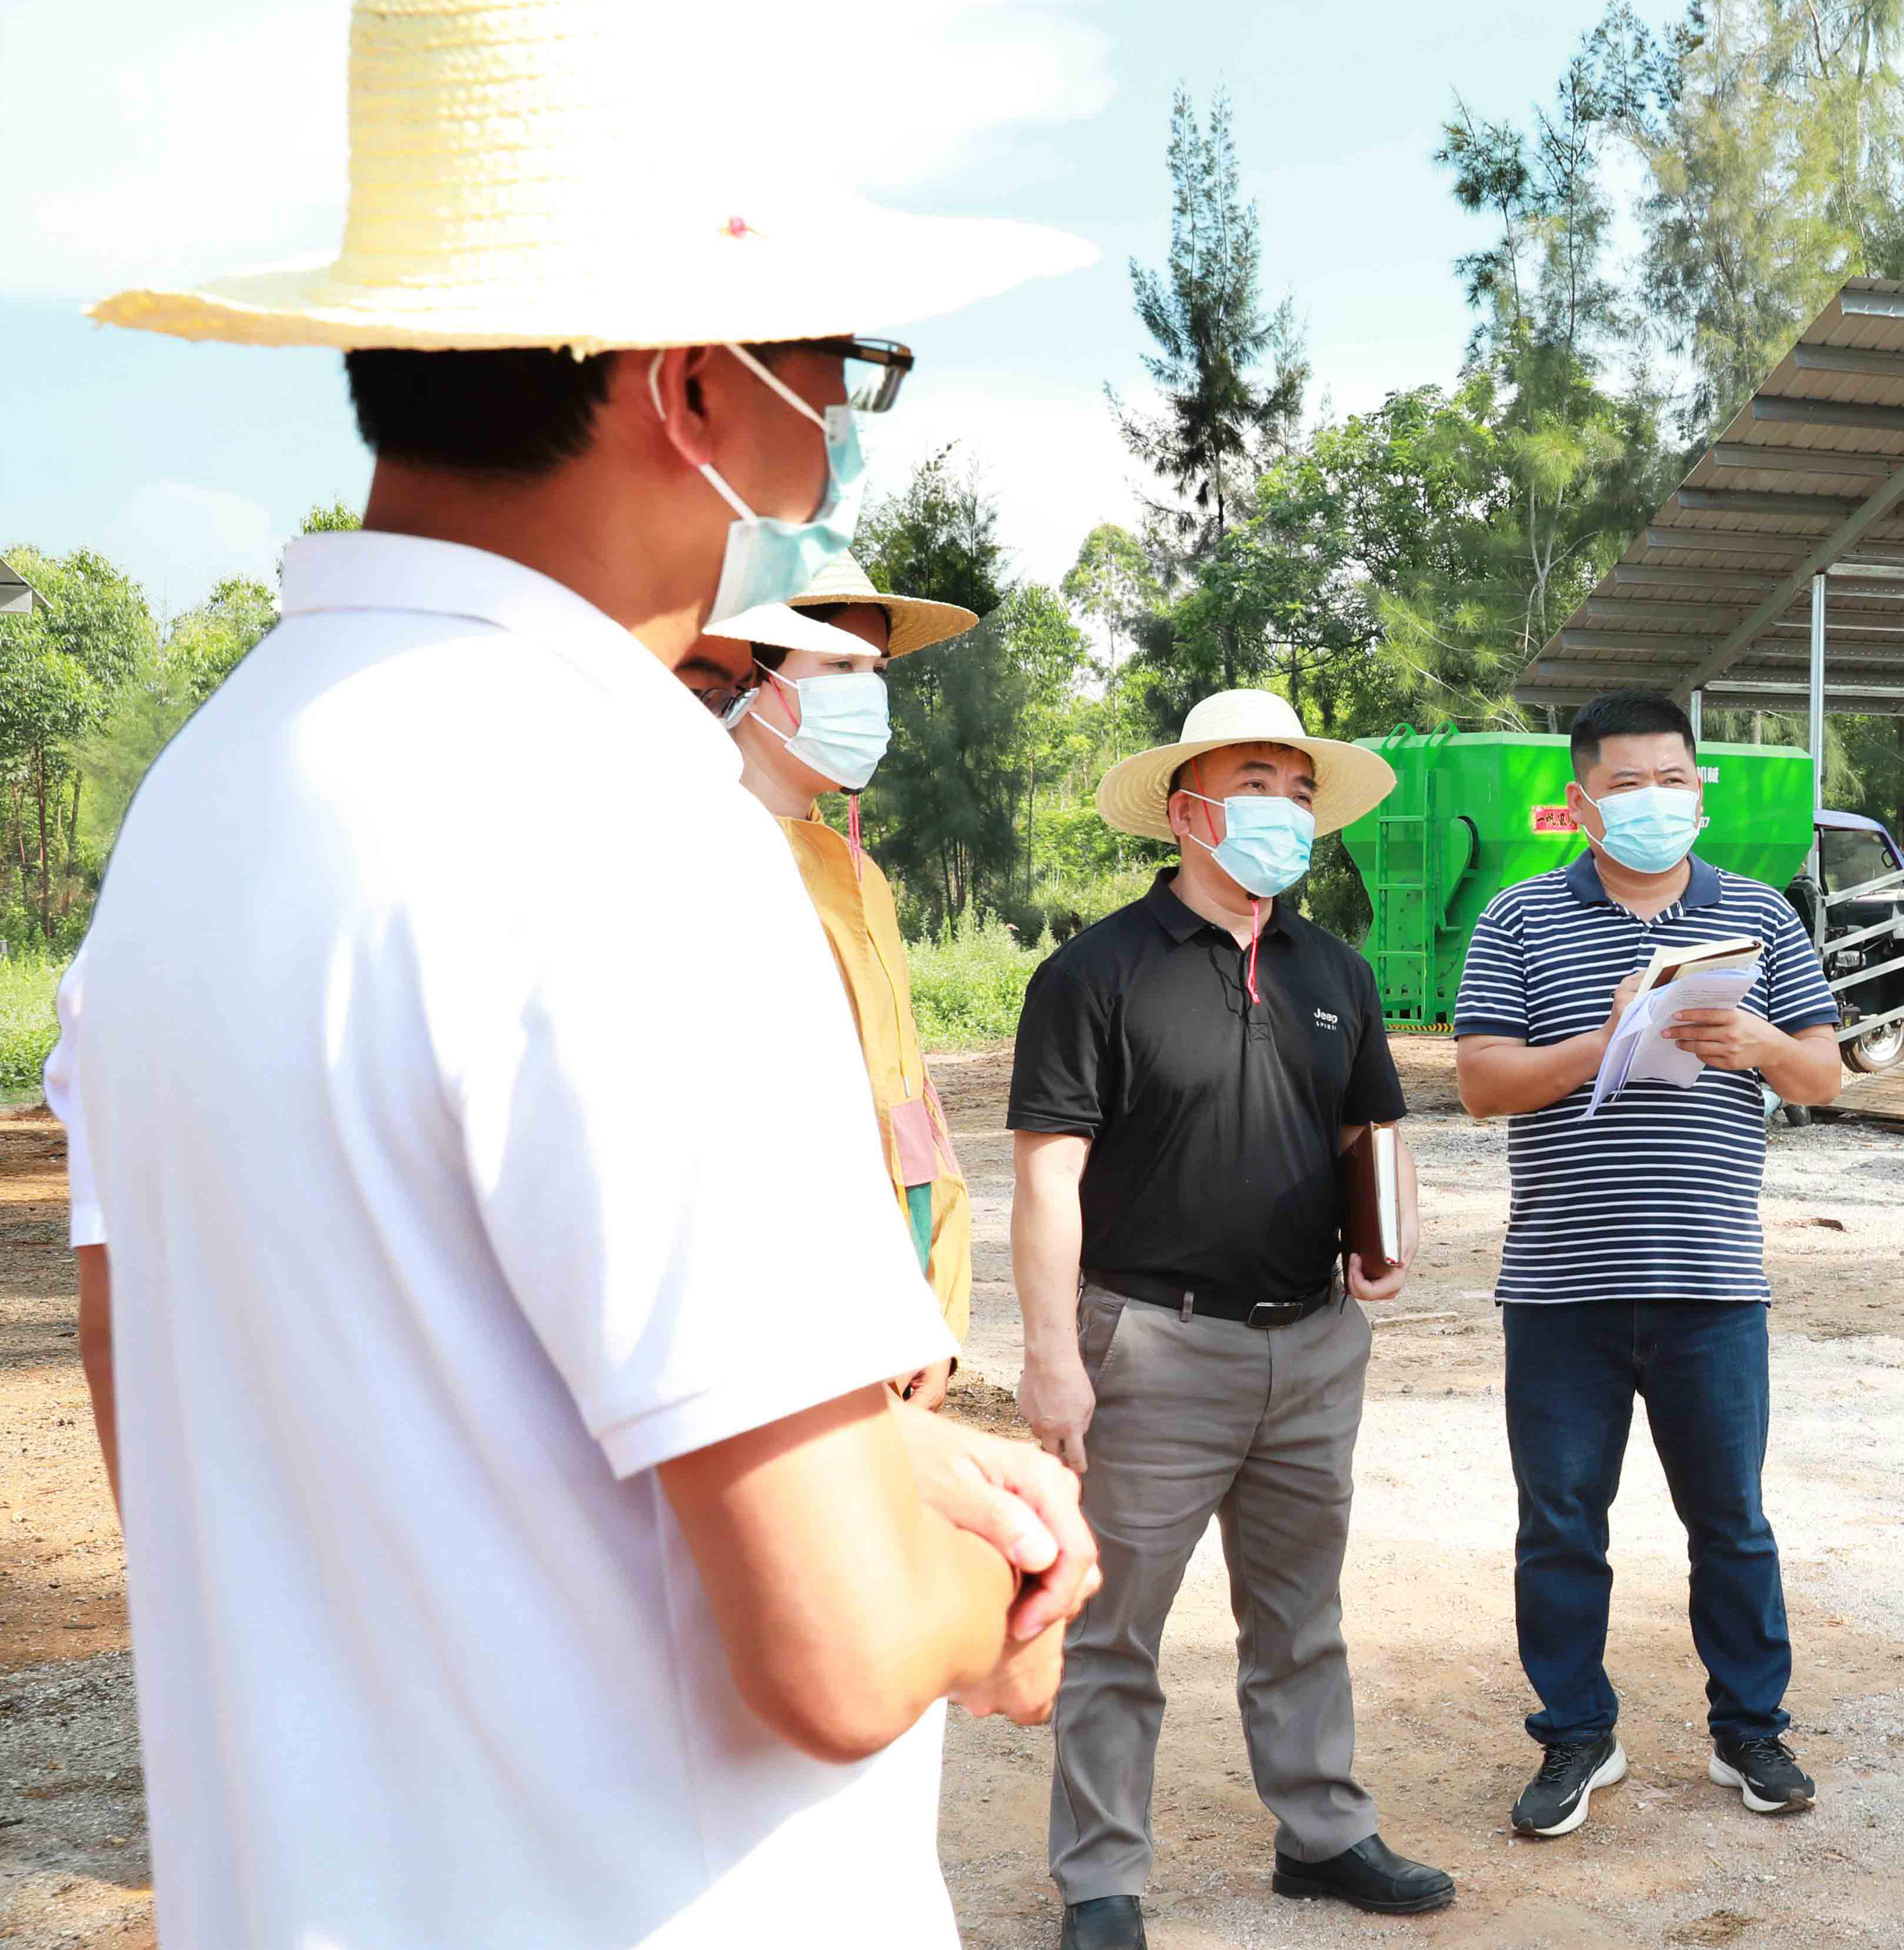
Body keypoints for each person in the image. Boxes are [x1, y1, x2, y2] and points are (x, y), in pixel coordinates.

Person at [62, 4, 1102, 1942]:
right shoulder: (625, 820)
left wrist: (867, 1463)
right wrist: (1013, 1573)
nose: (840, 428)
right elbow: (841, 1645)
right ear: (692, 391)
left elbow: (220, 1423)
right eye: (836, 365)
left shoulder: (202, 813)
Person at [1008, 688, 1448, 1945]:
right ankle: (1101, 1879)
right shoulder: (1095, 972)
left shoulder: (1335, 970)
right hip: (1152, 1344)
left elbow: (1377, 1127)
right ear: (1190, 805)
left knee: (1301, 1607)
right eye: (1261, 783)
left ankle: (1322, 1831)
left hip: (1313, 1342)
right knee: (1113, 1625)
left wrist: (1390, 1239)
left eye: (1302, 790)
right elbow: (1048, 1177)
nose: (1287, 811)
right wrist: (1053, 1357)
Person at [1449, 689, 1846, 1839]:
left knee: (1731, 1518)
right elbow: (1480, 1083)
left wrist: (1761, 1044)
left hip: (1713, 1282)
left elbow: (1822, 1071)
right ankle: (1576, 1730)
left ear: (1699, 787)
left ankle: (1750, 1726)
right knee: (1562, 1521)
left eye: (1675, 779)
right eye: (1628, 785)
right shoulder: (1521, 919)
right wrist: (1606, 1036)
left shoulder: (1759, 916)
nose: (1655, 801)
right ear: (1579, 803)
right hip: (1561, 1287)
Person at [683, 554, 983, 1407]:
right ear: (754, 675)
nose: (868, 694)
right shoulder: (692, 857)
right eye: (839, 667)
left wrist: (933, 1297)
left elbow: (910, 1101)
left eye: (876, 673)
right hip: (777, 1327)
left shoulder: (856, 872)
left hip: (892, 1313)